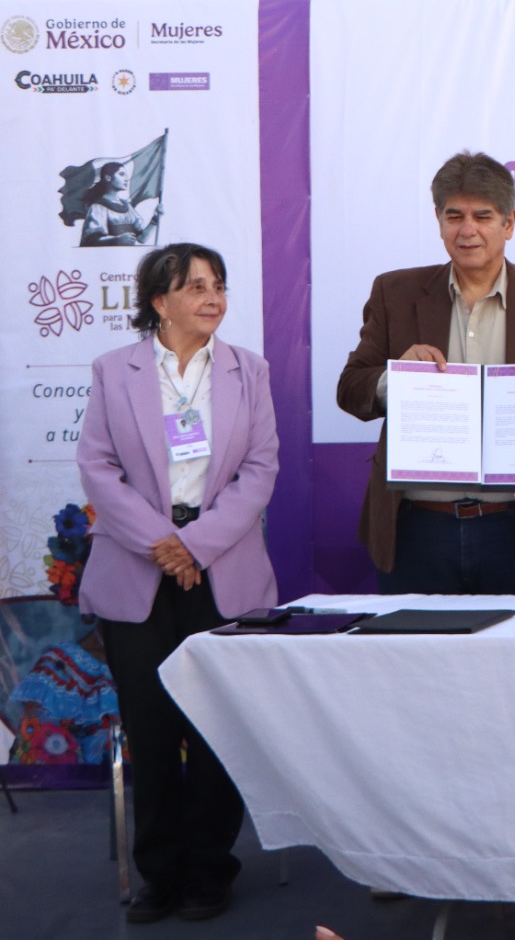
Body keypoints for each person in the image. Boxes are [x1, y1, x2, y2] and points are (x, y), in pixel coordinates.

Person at [75, 243, 279, 923]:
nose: (212, 297)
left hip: (222, 568)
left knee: (218, 724)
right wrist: (161, 545)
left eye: (218, 285)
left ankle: (210, 870)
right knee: (152, 726)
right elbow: (98, 468)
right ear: (159, 302)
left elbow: (260, 470)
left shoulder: (249, 370)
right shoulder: (114, 370)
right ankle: (159, 872)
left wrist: (193, 544)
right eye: (195, 287)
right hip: (138, 568)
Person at [337, 152, 515, 594]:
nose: (467, 230)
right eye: (455, 216)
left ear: (509, 223)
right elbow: (351, 388)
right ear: (438, 220)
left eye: (483, 216)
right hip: (419, 530)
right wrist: (396, 378)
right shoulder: (395, 293)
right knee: (415, 642)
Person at [80, 161, 161, 247]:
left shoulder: (127, 206)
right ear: (108, 177)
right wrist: (117, 240)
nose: (126, 179)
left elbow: (141, 238)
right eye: (121, 174)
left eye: (125, 175)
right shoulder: (98, 207)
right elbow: (92, 241)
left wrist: (155, 219)